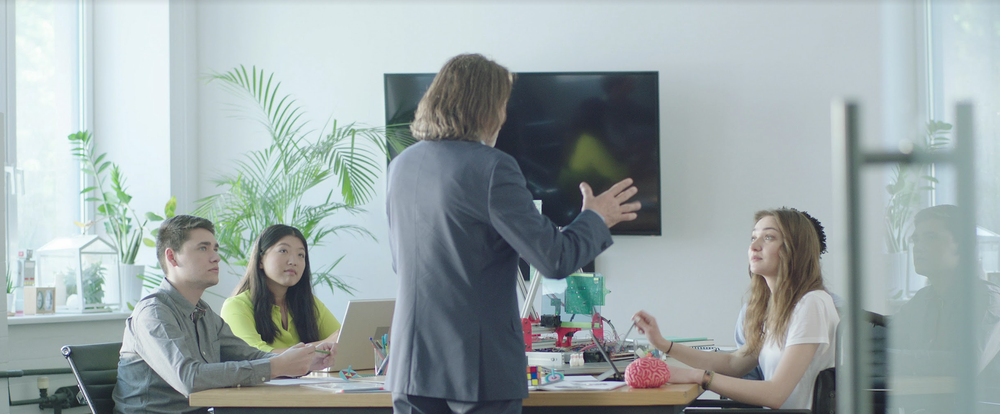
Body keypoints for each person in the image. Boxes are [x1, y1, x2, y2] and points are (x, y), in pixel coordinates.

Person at [385, 53, 641, 414]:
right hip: (476, 371)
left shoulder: (401, 166)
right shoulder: (492, 168)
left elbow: (404, 264)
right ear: (486, 107)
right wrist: (595, 218)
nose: (504, 116)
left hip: (411, 366)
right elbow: (554, 258)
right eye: (503, 104)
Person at [113, 215, 335, 414]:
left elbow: (250, 355)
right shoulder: (153, 313)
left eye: (215, 249)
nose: (216, 257)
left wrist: (305, 360)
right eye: (203, 248)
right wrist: (276, 366)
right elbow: (189, 378)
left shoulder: (203, 312)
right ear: (172, 258)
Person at [634, 208, 839, 410]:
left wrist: (697, 376)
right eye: (753, 237)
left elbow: (775, 394)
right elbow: (734, 363)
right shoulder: (776, 308)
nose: (754, 246)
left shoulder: (812, 303)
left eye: (768, 237)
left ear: (795, 248)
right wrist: (663, 344)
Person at [891, 205, 1000, 383]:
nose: (918, 247)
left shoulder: (988, 299)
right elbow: (891, 338)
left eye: (931, 237)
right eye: (916, 240)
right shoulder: (923, 299)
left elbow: (964, 364)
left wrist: (892, 359)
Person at [221, 224, 341, 353]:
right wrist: (323, 345)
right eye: (283, 251)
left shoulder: (309, 304)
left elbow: (343, 339)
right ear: (260, 260)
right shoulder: (236, 306)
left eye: (301, 255)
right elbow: (256, 355)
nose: (293, 261)